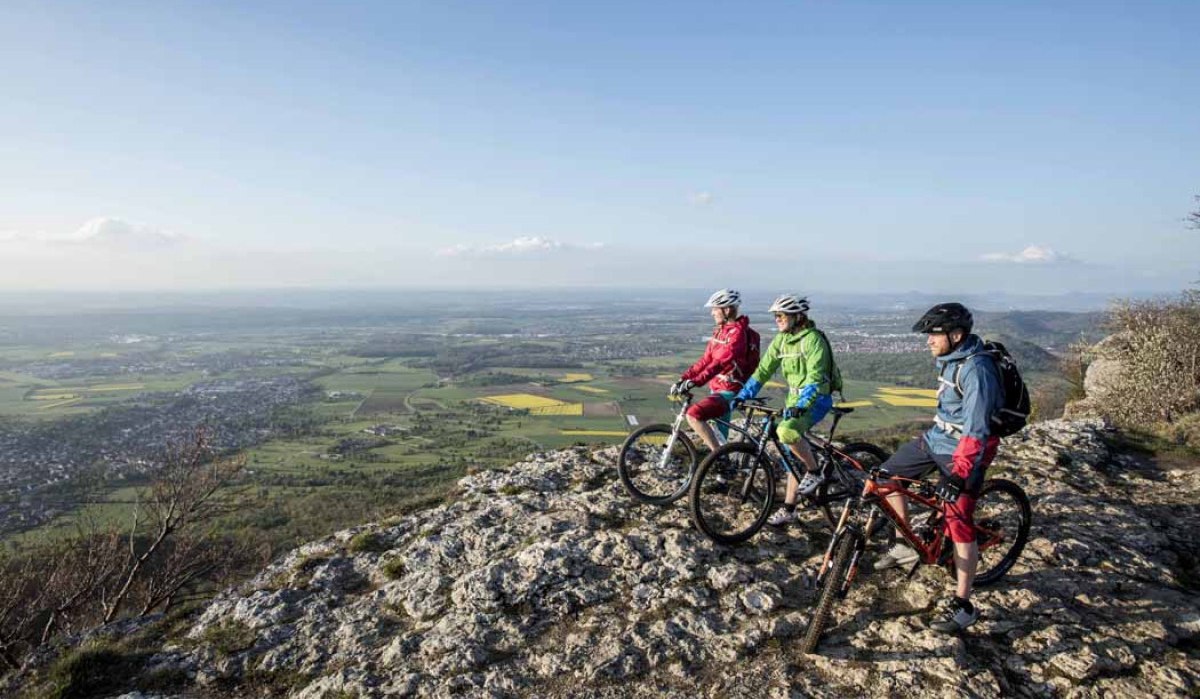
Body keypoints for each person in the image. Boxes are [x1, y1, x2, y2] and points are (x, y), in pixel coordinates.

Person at [872, 302, 1003, 633]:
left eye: (934, 334)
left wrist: (959, 476)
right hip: (936, 440)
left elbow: (976, 430)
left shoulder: (976, 370)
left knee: (958, 523)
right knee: (885, 480)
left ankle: (963, 605)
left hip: (965, 452)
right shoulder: (949, 360)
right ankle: (905, 546)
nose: (928, 340)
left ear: (955, 335)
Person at [729, 294, 837, 526]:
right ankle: (789, 508)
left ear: (797, 316)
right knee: (789, 451)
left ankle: (815, 471)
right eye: (775, 316)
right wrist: (743, 395)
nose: (777, 319)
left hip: (816, 399)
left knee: (787, 432)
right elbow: (763, 371)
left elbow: (815, 378)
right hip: (794, 401)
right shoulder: (781, 341)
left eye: (781, 315)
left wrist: (801, 406)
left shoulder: (813, 340)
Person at [669, 289, 755, 454]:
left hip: (730, 390)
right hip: (717, 387)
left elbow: (719, 363)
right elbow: (706, 360)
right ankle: (724, 470)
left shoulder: (737, 335)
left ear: (727, 310)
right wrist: (684, 378)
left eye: (715, 308)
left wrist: (696, 381)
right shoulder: (721, 331)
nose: (712, 313)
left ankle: (719, 457)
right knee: (720, 433)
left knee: (694, 414)